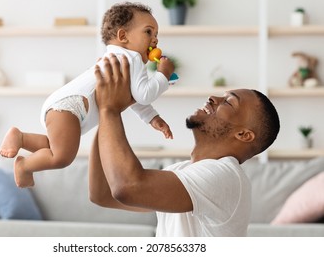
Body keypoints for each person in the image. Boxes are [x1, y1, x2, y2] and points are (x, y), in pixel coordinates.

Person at [89, 54, 280, 237]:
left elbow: (128, 187)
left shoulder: (226, 176)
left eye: (229, 103)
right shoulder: (182, 171)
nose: (213, 98)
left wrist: (110, 109)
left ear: (243, 135)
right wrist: (108, 109)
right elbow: (103, 194)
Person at [0, 2, 175, 187]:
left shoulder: (120, 58)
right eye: (148, 32)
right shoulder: (132, 59)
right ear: (123, 36)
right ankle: (24, 165)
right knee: (62, 157)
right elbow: (143, 94)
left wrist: (152, 117)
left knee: (55, 148)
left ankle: (22, 138)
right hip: (71, 108)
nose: (155, 40)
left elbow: (132, 96)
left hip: (64, 106)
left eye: (156, 35)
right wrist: (163, 74)